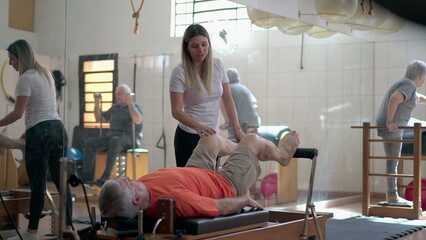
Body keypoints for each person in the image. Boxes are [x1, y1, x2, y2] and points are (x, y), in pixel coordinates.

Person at [98, 131, 300, 219]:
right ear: (137, 200)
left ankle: (244, 149)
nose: (127, 179)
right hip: (226, 184)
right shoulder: (175, 201)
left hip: (195, 173)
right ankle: (282, 155)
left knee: (211, 138)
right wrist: (244, 199)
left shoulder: (140, 190)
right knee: (253, 140)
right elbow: (220, 207)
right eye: (126, 184)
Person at [1, 39, 72, 240]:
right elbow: (43, 109)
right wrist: (31, 130)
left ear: (20, 57)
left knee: (38, 186)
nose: (12, 64)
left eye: (12, 60)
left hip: (41, 133)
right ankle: (69, 229)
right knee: (61, 184)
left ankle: (31, 233)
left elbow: (17, 113)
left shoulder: (25, 78)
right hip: (58, 130)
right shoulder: (45, 73)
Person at [170, 24, 244, 167]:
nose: (201, 50)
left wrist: (236, 129)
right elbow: (176, 110)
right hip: (189, 136)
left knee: (210, 184)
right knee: (191, 186)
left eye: (204, 44)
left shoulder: (218, 65)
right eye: (195, 46)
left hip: (212, 138)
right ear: (187, 47)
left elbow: (228, 99)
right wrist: (197, 126)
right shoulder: (179, 72)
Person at [375, 60, 426, 204]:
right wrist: (390, 122)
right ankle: (393, 196)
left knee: (420, 123)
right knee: (393, 162)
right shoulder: (409, 85)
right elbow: (394, 99)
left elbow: (418, 98)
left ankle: (392, 195)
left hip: (396, 123)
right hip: (393, 126)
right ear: (421, 77)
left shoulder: (406, 84)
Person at [81, 83, 143, 185]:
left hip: (129, 138)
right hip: (112, 138)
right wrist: (96, 103)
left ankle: (106, 176)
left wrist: (130, 102)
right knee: (89, 142)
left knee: (114, 140)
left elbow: (137, 120)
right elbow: (99, 119)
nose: (117, 97)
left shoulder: (136, 107)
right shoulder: (115, 108)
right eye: (116, 94)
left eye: (119, 94)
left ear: (127, 95)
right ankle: (86, 176)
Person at [220, 68, 261, 139]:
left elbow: (223, 104)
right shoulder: (244, 88)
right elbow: (254, 102)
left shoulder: (228, 89)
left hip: (239, 124)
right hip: (254, 122)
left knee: (237, 144)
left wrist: (227, 122)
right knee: (250, 143)